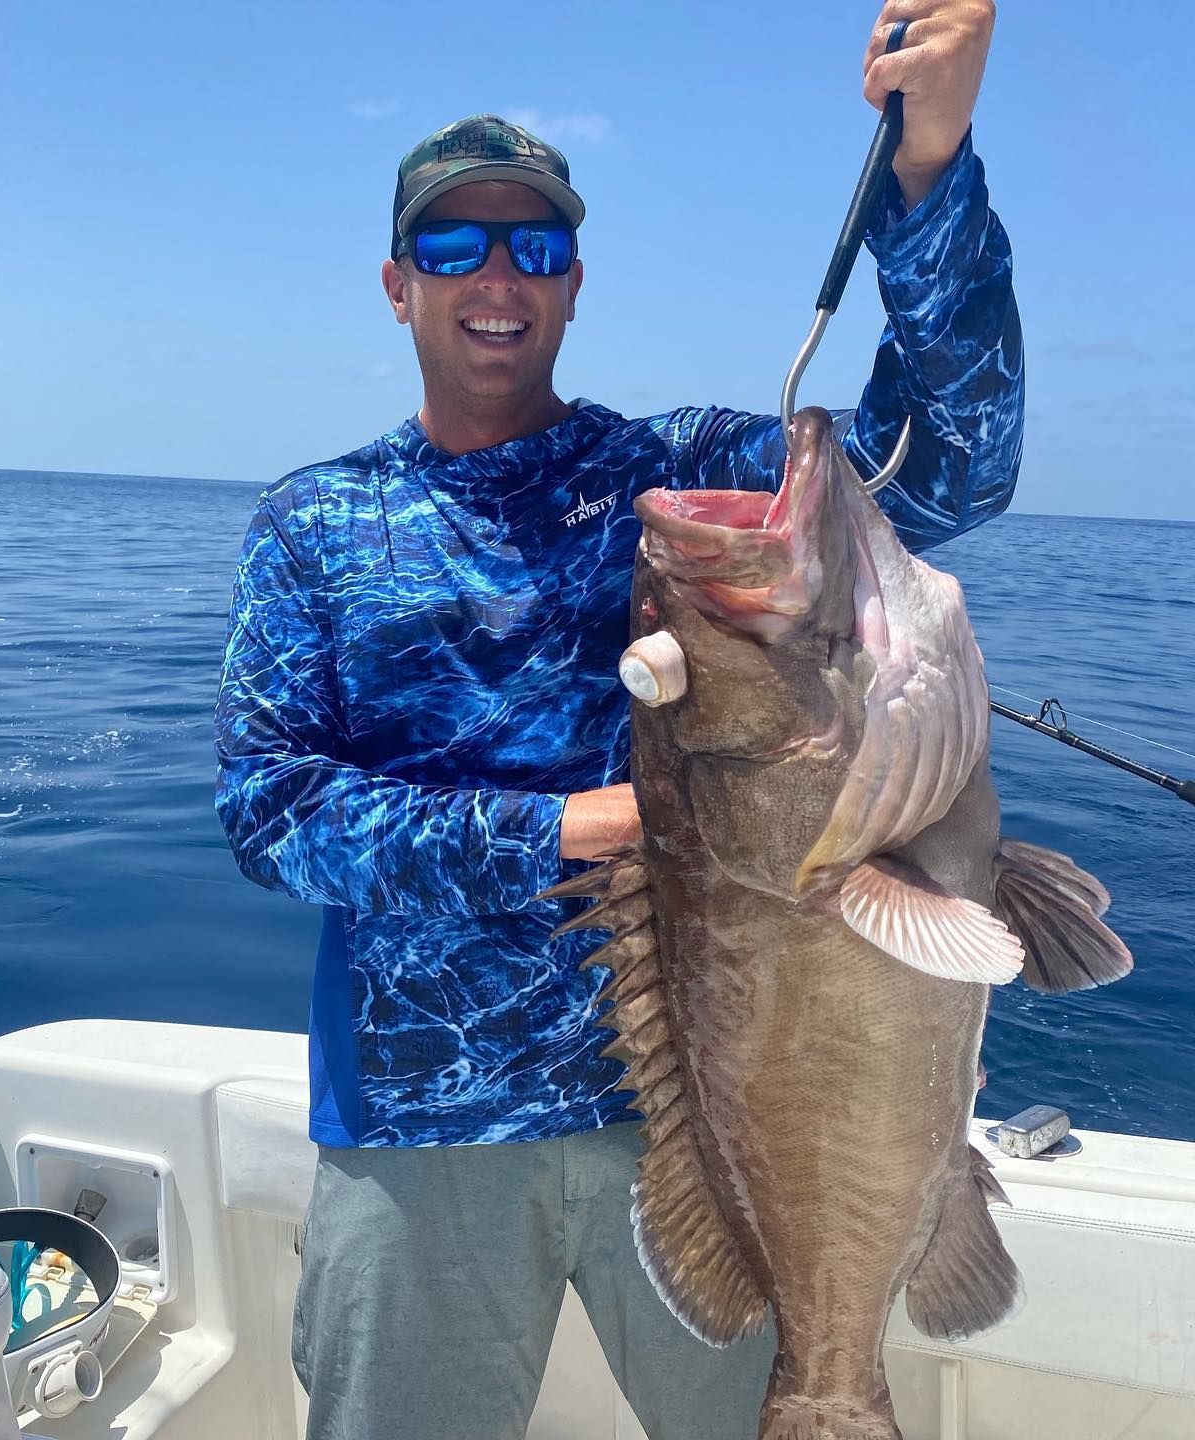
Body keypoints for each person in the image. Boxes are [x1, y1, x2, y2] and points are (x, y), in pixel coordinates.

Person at [215, 4, 1018, 1436]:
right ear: (398, 285)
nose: (497, 276)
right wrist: (557, 831)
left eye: (535, 244)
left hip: (711, 1124)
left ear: (577, 280)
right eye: (455, 247)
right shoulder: (316, 521)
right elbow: (271, 814)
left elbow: (954, 461)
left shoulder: (683, 480)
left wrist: (931, 168)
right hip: (416, 1128)